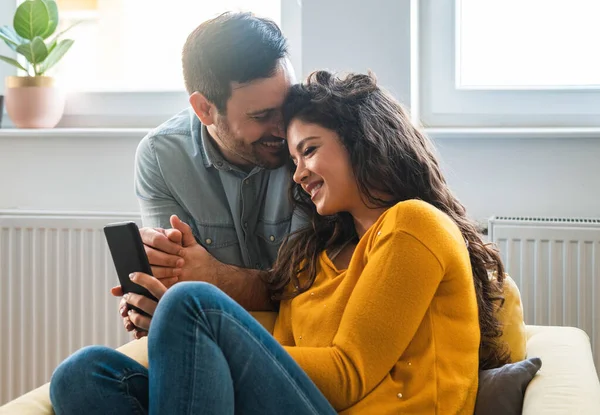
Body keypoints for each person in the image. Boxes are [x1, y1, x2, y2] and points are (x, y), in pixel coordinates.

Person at [50, 71, 510, 414]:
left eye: (309, 150)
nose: (299, 173)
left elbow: (348, 375)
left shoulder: (413, 225)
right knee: (83, 374)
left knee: (195, 305)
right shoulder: (316, 257)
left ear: (363, 141)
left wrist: (218, 337)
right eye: (293, 158)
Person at [115, 11, 300, 339]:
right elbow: (174, 288)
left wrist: (213, 277)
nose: (284, 127)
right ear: (204, 109)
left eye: (288, 106)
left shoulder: (314, 145)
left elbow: (315, 292)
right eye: (262, 115)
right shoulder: (161, 156)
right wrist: (151, 300)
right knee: (80, 370)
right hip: (208, 338)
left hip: (294, 342)